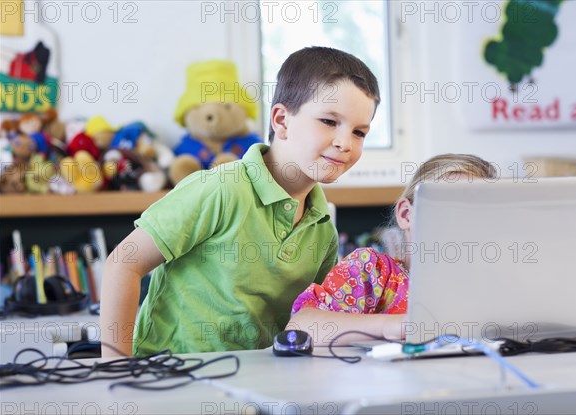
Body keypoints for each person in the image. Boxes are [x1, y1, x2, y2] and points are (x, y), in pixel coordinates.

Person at [100, 46, 380, 357]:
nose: (345, 143)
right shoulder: (220, 189)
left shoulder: (322, 230)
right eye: (329, 121)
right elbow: (122, 263)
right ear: (282, 121)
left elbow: (310, 320)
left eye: (359, 132)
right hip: (169, 379)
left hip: (258, 389)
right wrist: (115, 371)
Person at [287, 154, 497, 345]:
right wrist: (394, 325)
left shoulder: (492, 284)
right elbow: (301, 327)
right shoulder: (372, 271)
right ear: (406, 215)